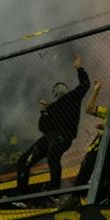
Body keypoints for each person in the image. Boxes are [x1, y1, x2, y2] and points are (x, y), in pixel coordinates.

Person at [15, 56, 90, 197]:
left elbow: (85, 84)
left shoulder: (73, 97)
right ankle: (21, 196)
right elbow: (43, 128)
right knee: (23, 162)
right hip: (49, 137)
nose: (59, 88)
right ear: (54, 93)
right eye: (57, 88)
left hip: (64, 135)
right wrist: (43, 112)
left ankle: (53, 190)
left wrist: (79, 68)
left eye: (61, 86)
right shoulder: (51, 108)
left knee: (53, 154)